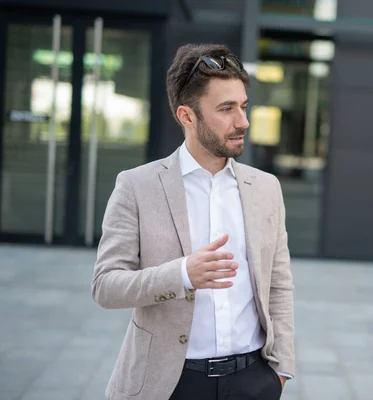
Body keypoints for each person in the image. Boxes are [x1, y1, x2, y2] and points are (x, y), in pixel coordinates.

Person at [91, 43, 294, 400]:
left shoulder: (266, 188)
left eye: (243, 107)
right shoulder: (137, 186)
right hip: (171, 383)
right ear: (187, 116)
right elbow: (106, 286)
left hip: (253, 381)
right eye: (226, 109)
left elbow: (279, 285)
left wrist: (280, 371)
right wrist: (183, 273)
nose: (242, 121)